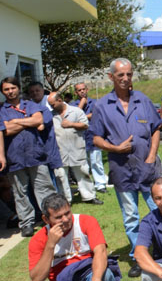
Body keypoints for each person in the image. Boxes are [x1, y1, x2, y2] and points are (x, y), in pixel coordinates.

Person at [88, 58, 162, 278]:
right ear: (111, 77)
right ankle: (138, 256)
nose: (125, 78)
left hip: (147, 168)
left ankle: (161, 249)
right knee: (131, 216)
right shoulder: (102, 105)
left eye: (129, 74)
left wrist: (151, 156)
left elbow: (157, 128)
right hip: (122, 170)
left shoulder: (143, 100)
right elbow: (96, 138)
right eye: (120, 75)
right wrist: (114, 148)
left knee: (158, 210)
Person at [0, 76, 57, 237]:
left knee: (44, 189)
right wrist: (27, 120)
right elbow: (6, 131)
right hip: (14, 158)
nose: (10, 92)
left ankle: (53, 218)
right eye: (6, 89)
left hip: (36, 155)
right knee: (20, 193)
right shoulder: (1, 111)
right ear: (3, 92)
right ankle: (26, 224)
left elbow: (38, 120)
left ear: (18, 88)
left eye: (13, 88)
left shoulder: (31, 104)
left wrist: (15, 121)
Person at [28, 193, 118, 281]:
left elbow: (101, 252)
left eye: (67, 213)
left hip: (90, 272)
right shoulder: (38, 239)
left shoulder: (86, 222)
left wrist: (96, 278)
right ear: (46, 219)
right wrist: (50, 245)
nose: (65, 219)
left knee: (105, 274)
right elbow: (37, 278)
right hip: (62, 277)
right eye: (59, 217)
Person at [47, 93, 102, 205]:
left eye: (53, 104)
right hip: (60, 150)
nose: (52, 107)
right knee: (61, 175)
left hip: (76, 147)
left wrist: (71, 124)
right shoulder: (51, 115)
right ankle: (65, 200)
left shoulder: (76, 111)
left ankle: (89, 196)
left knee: (82, 172)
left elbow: (85, 125)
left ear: (60, 100)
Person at [71, 83, 107, 194]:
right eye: (79, 90)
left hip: (93, 135)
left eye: (83, 89)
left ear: (87, 90)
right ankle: (86, 186)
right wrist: (81, 105)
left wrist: (81, 117)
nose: (82, 91)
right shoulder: (72, 105)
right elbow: (73, 116)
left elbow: (96, 114)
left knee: (96, 161)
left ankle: (100, 184)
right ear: (75, 93)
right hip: (79, 137)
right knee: (83, 164)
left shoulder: (95, 102)